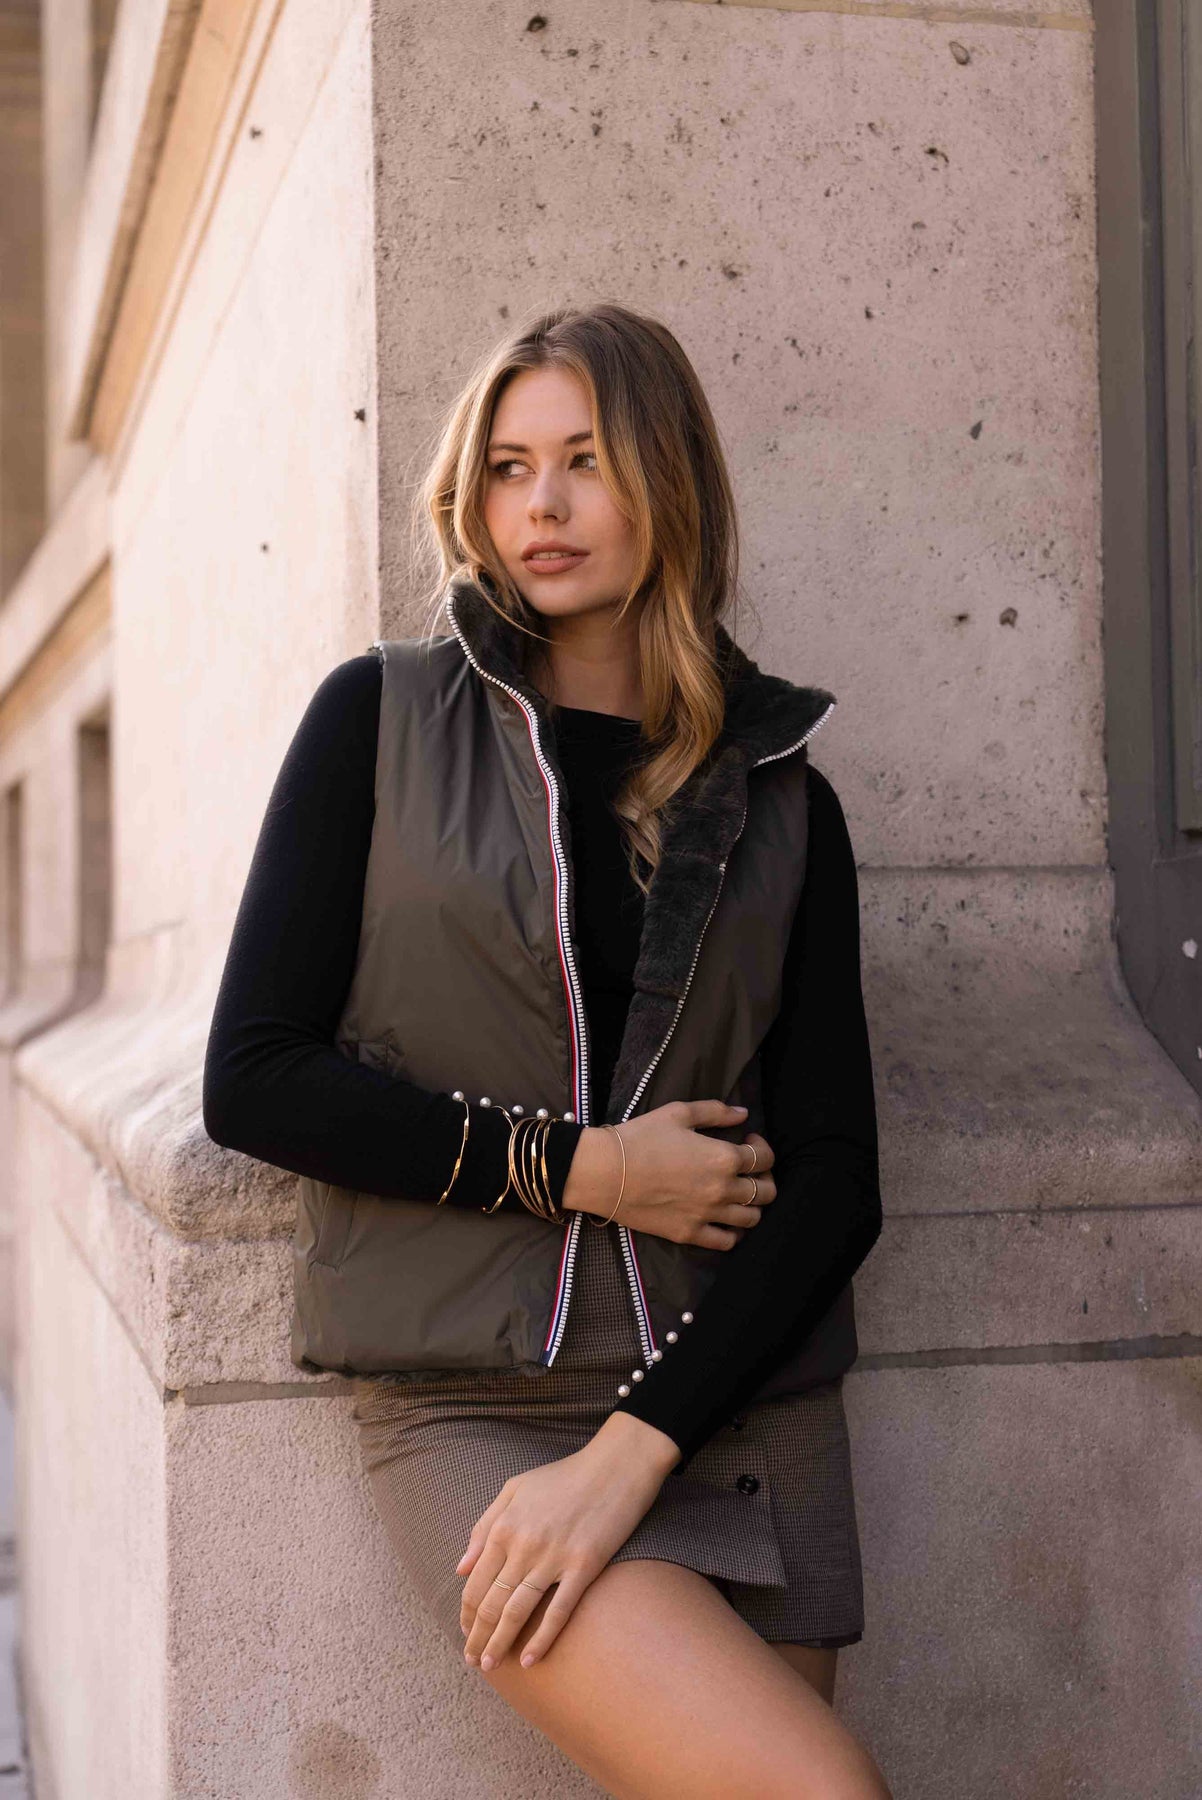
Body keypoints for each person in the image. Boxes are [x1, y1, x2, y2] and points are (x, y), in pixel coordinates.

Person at [203, 301, 892, 1798]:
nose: (545, 507)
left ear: (668, 478)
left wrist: (640, 1444)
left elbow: (837, 1179)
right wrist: (583, 1169)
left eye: (586, 460)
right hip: (476, 1403)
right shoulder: (380, 721)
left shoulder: (783, 793)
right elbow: (254, 1076)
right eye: (510, 469)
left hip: (736, 1401)